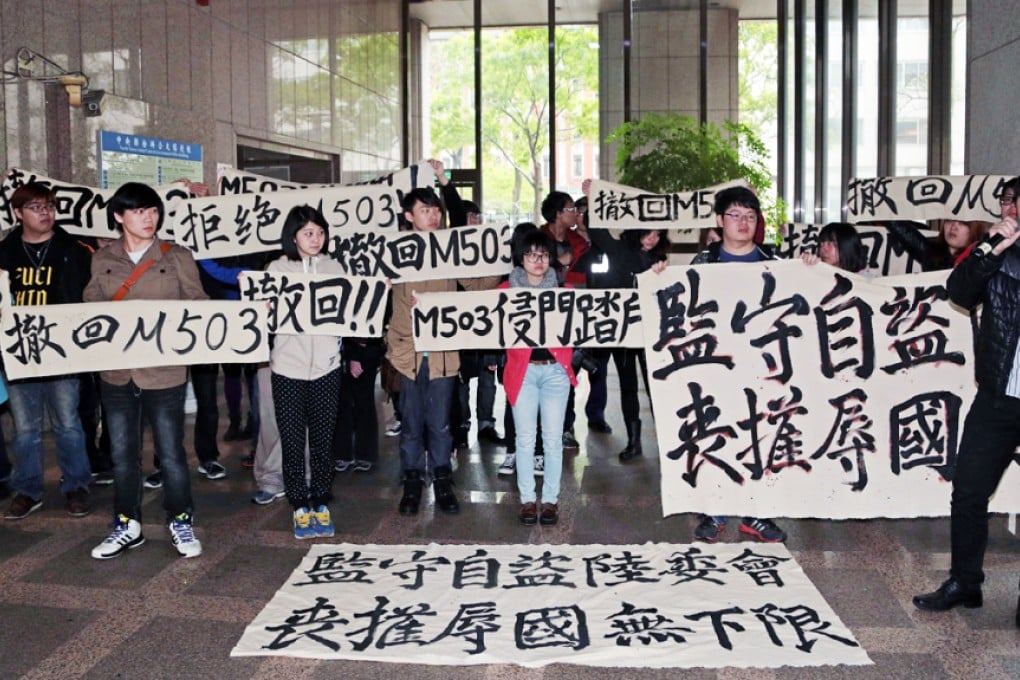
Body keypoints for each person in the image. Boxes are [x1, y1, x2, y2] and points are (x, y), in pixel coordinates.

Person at [913, 187, 1020, 629]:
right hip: (998, 395)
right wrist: (991, 248)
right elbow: (959, 291)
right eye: (1008, 202)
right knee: (970, 490)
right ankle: (964, 582)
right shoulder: (999, 253)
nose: (1011, 209)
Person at [87, 182, 206, 559]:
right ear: (119, 216)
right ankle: (127, 524)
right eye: (139, 211)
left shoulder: (177, 256)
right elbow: (89, 308)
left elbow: (200, 305)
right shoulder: (102, 257)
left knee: (171, 454)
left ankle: (180, 520)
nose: (148, 218)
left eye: (153, 210)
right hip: (118, 374)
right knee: (123, 455)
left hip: (165, 373)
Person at [387, 187, 498, 516]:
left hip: (443, 354)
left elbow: (477, 284)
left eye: (436, 209)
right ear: (409, 216)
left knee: (440, 424)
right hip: (406, 352)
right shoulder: (395, 251)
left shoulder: (451, 249)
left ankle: (442, 480)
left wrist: (496, 260)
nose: (433, 215)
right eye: (425, 210)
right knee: (411, 424)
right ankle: (411, 481)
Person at [689, 185, 788, 544]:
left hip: (762, 367)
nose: (743, 222)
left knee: (762, 436)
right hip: (714, 366)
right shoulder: (703, 263)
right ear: (719, 220)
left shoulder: (775, 264)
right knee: (715, 434)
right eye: (735, 215)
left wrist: (810, 271)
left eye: (750, 216)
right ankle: (714, 511)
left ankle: (756, 513)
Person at [0, 182, 94, 520]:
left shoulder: (74, 250)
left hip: (62, 351)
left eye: (50, 206)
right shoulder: (4, 253)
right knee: (26, 429)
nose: (46, 213)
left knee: (68, 424)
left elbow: (91, 296)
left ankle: (77, 485)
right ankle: (28, 490)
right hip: (19, 352)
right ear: (18, 213)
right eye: (37, 207)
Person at [269, 205, 343, 539]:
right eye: (308, 233)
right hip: (287, 367)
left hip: (327, 366)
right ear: (293, 236)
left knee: (324, 440)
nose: (316, 239)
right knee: (293, 440)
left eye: (320, 232)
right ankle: (299, 503)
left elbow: (352, 306)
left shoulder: (334, 267)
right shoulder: (277, 268)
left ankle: (321, 500)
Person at [502, 227, 576, 526]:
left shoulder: (565, 293)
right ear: (520, 258)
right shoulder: (504, 292)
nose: (538, 261)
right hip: (523, 373)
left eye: (544, 255)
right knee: (524, 439)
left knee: (553, 440)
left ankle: (550, 501)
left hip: (556, 372)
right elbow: (472, 315)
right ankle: (527, 500)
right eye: (531, 255)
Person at [800, 222, 870, 274]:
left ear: (847, 247)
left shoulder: (866, 281)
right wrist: (802, 266)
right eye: (821, 244)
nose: (824, 249)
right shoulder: (817, 268)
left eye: (830, 244)